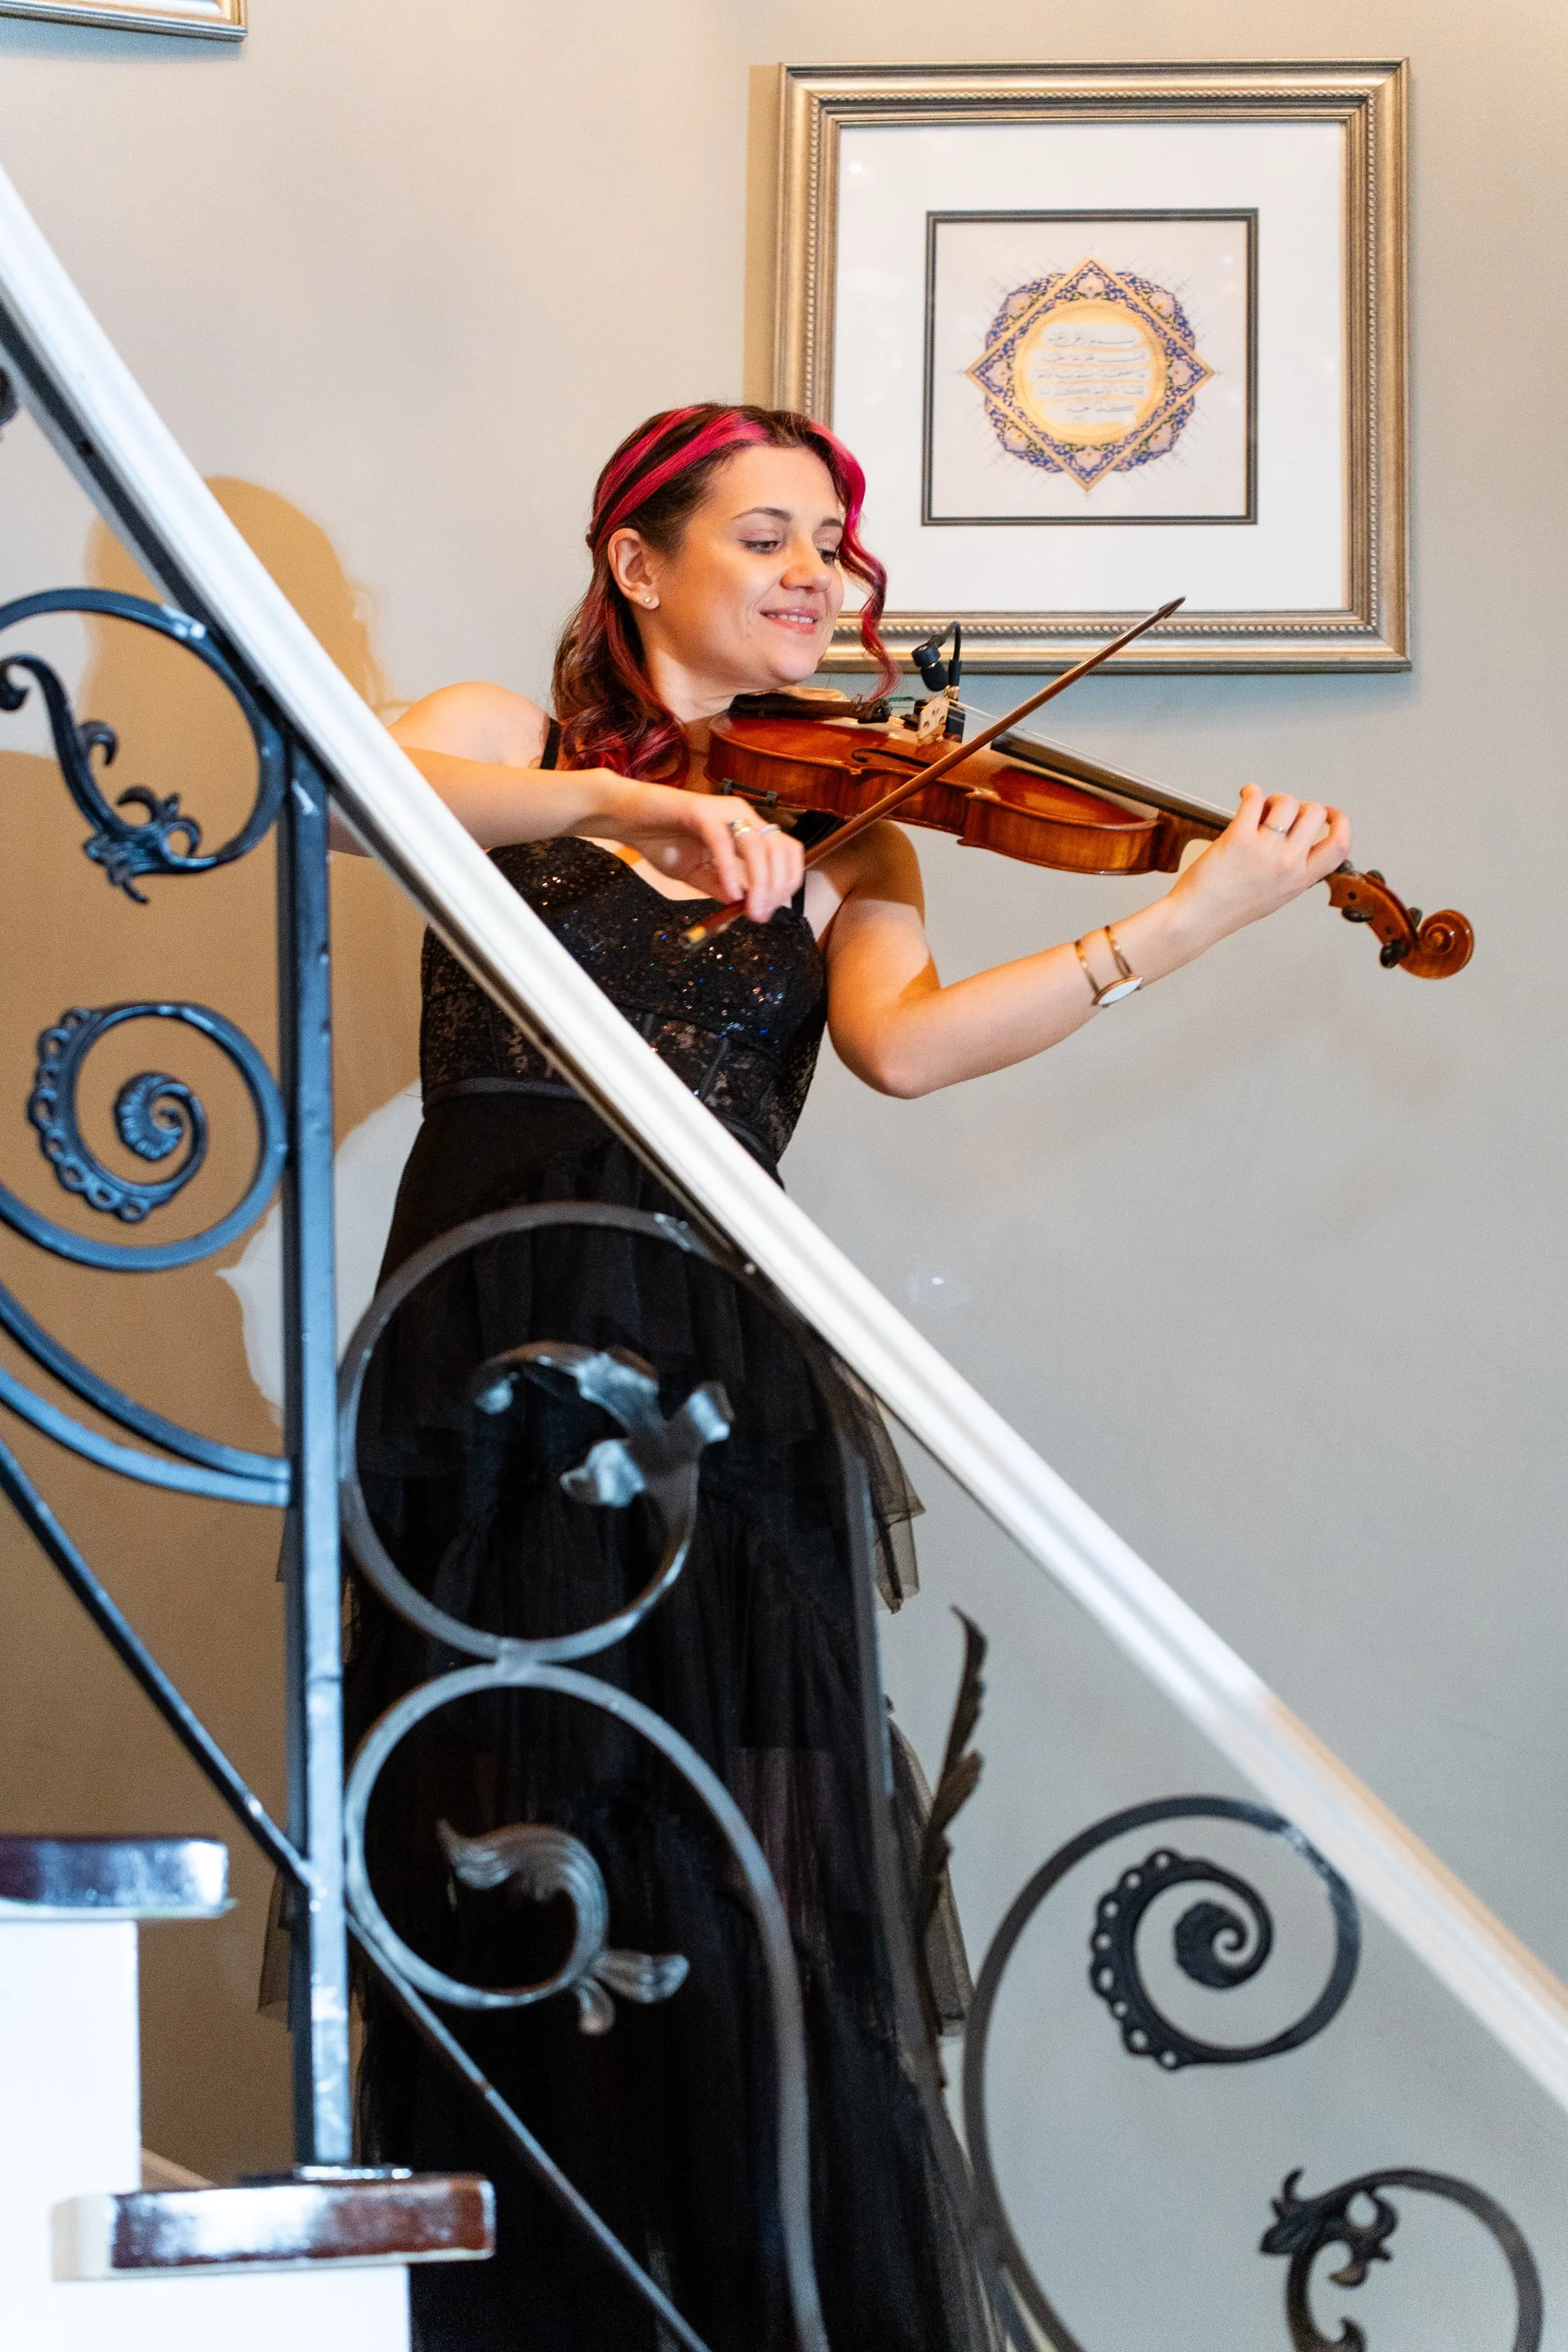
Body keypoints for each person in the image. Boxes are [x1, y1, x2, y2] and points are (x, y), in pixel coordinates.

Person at [340, 404, 1349, 2352]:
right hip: (487, 1350)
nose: (823, 577)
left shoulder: (855, 819)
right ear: (639, 561)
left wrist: (1175, 925)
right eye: (772, 537)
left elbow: (906, 1050)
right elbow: (376, 789)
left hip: (720, 1374)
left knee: (749, 1874)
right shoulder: (499, 740)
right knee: (491, 1835)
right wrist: (628, 808)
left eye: (839, 548)